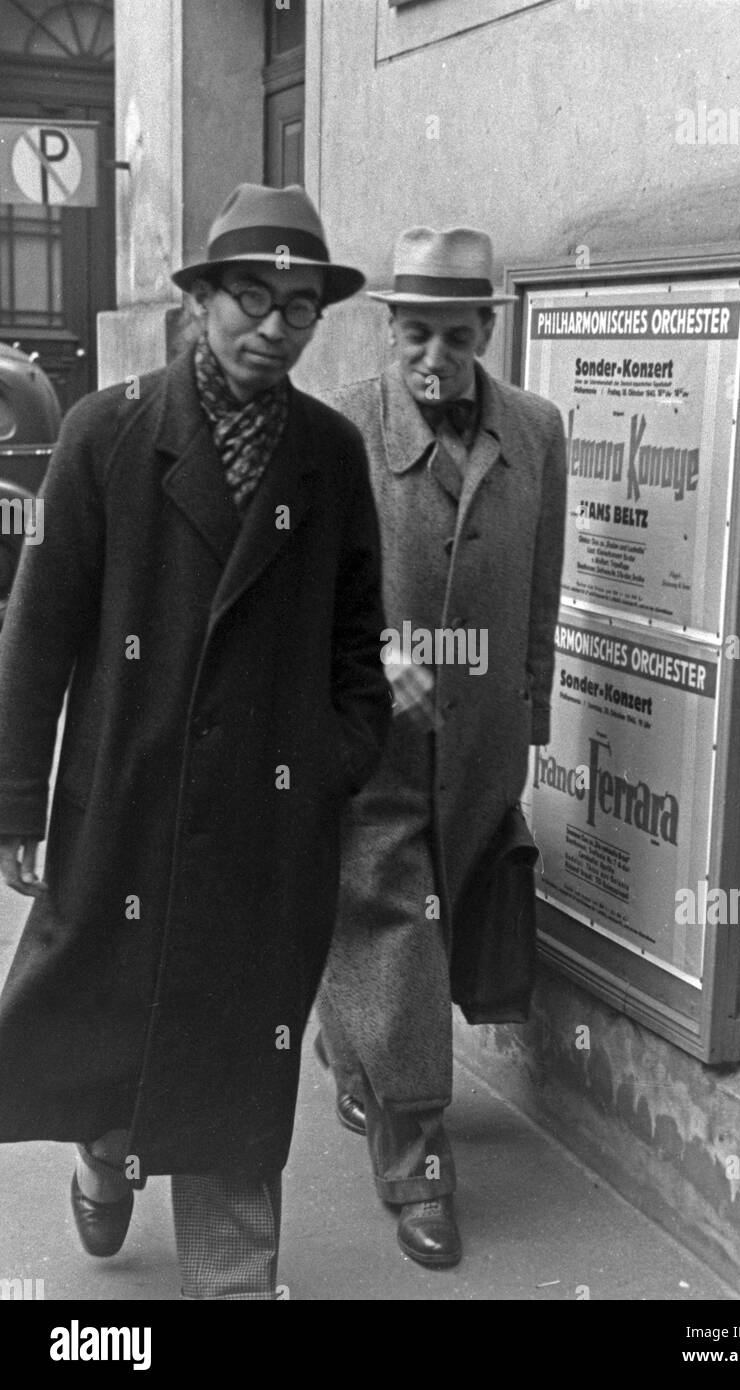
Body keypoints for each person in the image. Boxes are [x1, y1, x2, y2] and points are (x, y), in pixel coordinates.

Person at [0, 183, 390, 1300]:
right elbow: (37, 636)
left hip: (268, 817)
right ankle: (105, 1144)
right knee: (118, 1004)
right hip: (126, 798)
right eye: (253, 297)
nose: (275, 325)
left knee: (241, 1030)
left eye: (300, 305)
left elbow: (360, 639)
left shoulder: (326, 455)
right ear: (204, 299)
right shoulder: (106, 434)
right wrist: (17, 802)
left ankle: (233, 1262)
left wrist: (332, 758)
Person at [316, 225, 567, 1267]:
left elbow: (544, 580)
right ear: (390, 332)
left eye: (451, 339)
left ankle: (359, 1053)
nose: (431, 360)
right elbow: (307, 596)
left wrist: (534, 707)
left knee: (441, 925)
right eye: (413, 337)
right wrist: (374, 655)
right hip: (375, 745)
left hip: (482, 750)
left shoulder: (539, 431)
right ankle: (418, 1159)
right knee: (398, 930)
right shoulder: (339, 435)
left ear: (482, 333)